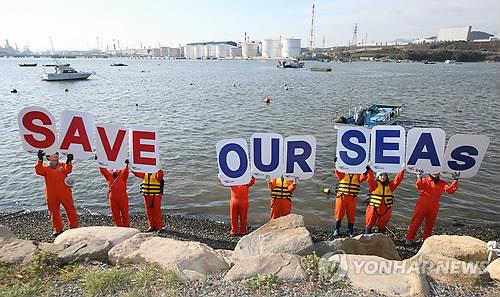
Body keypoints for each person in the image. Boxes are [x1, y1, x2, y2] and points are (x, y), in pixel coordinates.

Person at [405, 170, 459, 244]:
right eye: (433, 170)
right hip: (422, 205)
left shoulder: (442, 183)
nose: (435, 172)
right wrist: (419, 176)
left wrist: (455, 180)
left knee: (430, 225)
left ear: (439, 172)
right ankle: (409, 239)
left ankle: (426, 241)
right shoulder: (425, 180)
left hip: (434, 206)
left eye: (437, 170)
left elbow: (450, 190)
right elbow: (419, 186)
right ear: (429, 171)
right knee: (415, 222)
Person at [35, 150, 78, 237]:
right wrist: (39, 160)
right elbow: (38, 171)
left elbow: (68, 170)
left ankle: (74, 228)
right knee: (54, 212)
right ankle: (57, 229)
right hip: (51, 194)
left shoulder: (62, 165)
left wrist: (69, 160)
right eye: (53, 154)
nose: (56, 155)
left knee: (70, 210)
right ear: (48, 157)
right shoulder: (45, 168)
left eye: (57, 153)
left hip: (65, 192)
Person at [332, 157, 368, 236]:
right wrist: (336, 163)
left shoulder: (358, 175)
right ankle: (336, 229)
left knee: (351, 215)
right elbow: (337, 171)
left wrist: (366, 170)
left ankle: (350, 230)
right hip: (341, 197)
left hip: (352, 198)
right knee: (339, 213)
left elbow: (363, 177)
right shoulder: (343, 173)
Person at [364, 168, 405, 234]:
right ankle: (366, 237)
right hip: (374, 208)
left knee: (382, 226)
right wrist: (369, 170)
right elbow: (370, 179)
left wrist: (401, 171)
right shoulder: (374, 185)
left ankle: (381, 238)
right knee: (369, 223)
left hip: (385, 209)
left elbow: (397, 180)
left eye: (385, 175)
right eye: (381, 175)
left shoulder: (390, 186)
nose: (383, 177)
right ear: (378, 177)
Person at [99, 160, 130, 227]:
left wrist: (126, 165)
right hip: (113, 197)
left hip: (122, 196)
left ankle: (126, 226)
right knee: (115, 213)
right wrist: (100, 161)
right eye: (115, 170)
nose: (116, 171)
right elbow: (103, 170)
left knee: (125, 213)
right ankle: (118, 225)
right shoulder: (109, 176)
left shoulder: (122, 176)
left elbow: (126, 172)